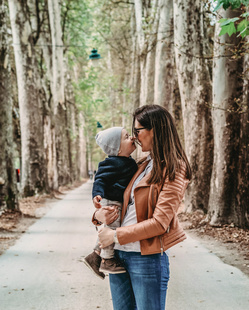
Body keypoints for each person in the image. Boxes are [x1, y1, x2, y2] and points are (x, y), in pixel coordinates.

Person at [93, 105, 192, 310]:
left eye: (137, 131)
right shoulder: (141, 164)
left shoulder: (174, 167)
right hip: (119, 256)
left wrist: (114, 236)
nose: (135, 137)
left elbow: (159, 223)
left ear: (154, 129)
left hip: (145, 259)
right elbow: (120, 201)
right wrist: (97, 214)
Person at [83, 127, 137, 280]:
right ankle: (107, 260)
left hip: (118, 200)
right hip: (112, 201)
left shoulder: (128, 160)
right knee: (113, 227)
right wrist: (97, 194)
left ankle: (95, 256)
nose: (132, 138)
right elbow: (99, 179)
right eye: (127, 137)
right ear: (117, 149)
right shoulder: (111, 162)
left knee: (111, 227)